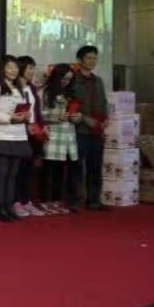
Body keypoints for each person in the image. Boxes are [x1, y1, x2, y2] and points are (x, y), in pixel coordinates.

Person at [0, 55, 32, 222]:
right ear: (2, 68)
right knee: (1, 173)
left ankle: (9, 206)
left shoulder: (19, 87)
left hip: (19, 135)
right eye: (9, 67)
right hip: (0, 135)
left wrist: (26, 115)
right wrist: (8, 117)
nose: (13, 70)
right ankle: (0, 207)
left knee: (13, 174)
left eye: (16, 67)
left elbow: (23, 110)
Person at [71, 45, 109, 210]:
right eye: (89, 58)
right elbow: (69, 105)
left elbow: (103, 102)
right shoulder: (73, 80)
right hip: (79, 130)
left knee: (95, 167)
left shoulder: (98, 81)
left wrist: (105, 120)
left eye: (95, 58)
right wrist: (85, 119)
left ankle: (94, 200)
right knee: (77, 167)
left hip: (96, 131)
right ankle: (74, 200)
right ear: (80, 60)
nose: (93, 61)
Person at [41, 63, 81, 214]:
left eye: (69, 79)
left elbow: (76, 114)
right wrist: (57, 116)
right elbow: (39, 114)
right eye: (63, 79)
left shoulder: (70, 94)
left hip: (68, 136)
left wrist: (77, 117)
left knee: (61, 172)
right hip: (53, 135)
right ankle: (46, 201)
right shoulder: (46, 92)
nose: (66, 82)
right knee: (49, 171)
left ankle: (57, 201)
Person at [13, 55, 46, 217]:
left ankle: (27, 200)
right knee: (17, 169)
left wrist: (42, 126)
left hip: (34, 133)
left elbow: (36, 111)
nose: (32, 71)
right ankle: (15, 201)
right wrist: (26, 126)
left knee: (29, 169)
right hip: (19, 132)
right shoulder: (13, 87)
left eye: (34, 68)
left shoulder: (32, 88)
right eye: (30, 68)